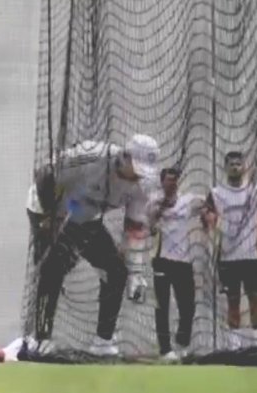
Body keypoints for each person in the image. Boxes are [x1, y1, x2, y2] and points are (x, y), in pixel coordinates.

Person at [28, 136, 160, 357]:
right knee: (52, 268)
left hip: (84, 213)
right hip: (48, 205)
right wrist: (52, 215)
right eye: (136, 167)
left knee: (117, 271)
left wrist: (136, 272)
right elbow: (44, 174)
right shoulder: (91, 158)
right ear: (124, 156)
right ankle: (41, 337)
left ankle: (103, 342)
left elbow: (134, 227)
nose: (138, 175)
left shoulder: (143, 186)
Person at [203, 151, 257, 347]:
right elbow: (207, 222)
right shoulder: (216, 193)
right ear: (225, 167)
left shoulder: (255, 192)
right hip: (227, 256)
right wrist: (207, 218)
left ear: (244, 166)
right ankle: (234, 344)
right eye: (231, 164)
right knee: (232, 300)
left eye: (238, 163)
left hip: (251, 254)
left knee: (255, 298)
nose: (235, 167)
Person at [147, 166, 202, 362]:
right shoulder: (154, 201)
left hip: (183, 261)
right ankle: (165, 350)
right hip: (161, 260)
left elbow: (208, 204)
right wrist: (161, 208)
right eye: (169, 179)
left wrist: (207, 215)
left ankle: (183, 343)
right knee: (161, 306)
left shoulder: (187, 201)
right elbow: (151, 228)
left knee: (187, 305)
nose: (172, 183)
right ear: (162, 182)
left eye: (175, 180)